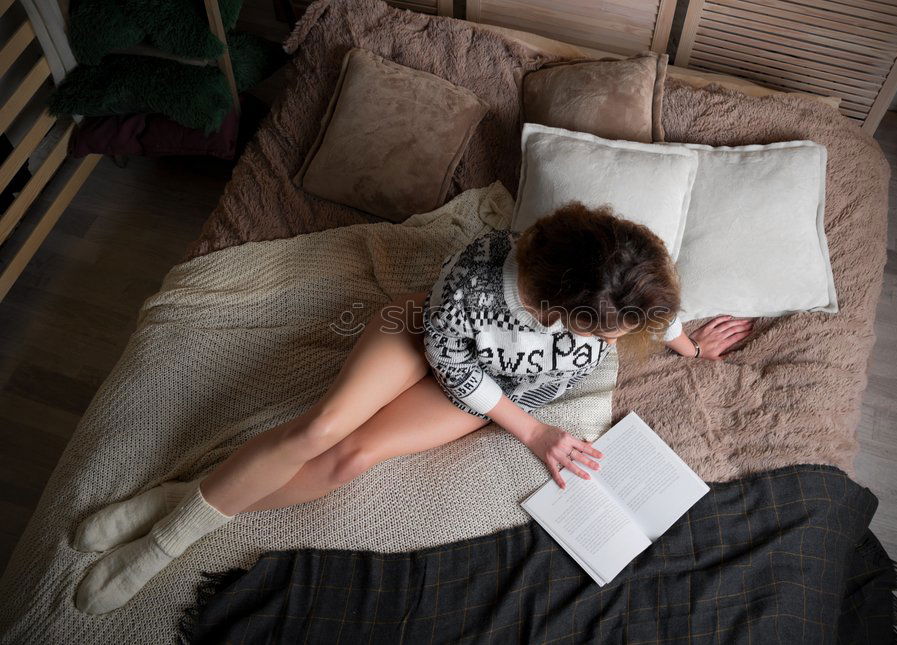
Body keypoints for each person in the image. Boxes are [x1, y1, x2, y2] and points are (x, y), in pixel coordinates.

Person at [73, 202, 752, 614]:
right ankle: (163, 543)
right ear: (554, 309)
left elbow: (648, 309)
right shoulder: (480, 278)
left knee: (350, 459)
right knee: (320, 426)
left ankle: (170, 502)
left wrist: (691, 346)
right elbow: (454, 367)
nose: (612, 343)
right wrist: (535, 431)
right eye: (598, 333)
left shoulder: (618, 275)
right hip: (426, 340)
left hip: (485, 386)